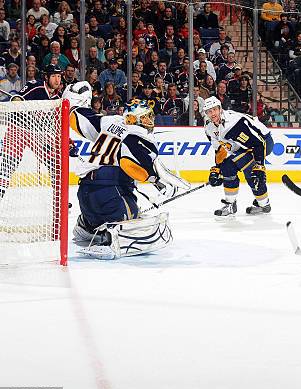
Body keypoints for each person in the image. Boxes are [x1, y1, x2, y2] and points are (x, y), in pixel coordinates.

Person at [64, 82, 189, 259]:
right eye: (145, 117)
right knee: (133, 217)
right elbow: (129, 161)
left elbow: (78, 120)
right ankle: (111, 238)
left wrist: (74, 103)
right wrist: (156, 180)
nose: (149, 121)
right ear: (133, 119)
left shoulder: (109, 122)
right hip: (108, 195)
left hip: (85, 195)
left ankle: (88, 226)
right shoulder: (139, 135)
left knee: (125, 201)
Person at [0, 64, 64, 201]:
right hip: (18, 130)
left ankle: (59, 198)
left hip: (38, 134)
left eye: (59, 76)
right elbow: (18, 97)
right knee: (7, 165)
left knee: (55, 165)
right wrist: (16, 100)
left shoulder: (57, 97)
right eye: (53, 76)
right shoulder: (35, 86)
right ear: (46, 77)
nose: (57, 80)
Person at [203, 96, 275, 216]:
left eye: (214, 110)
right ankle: (235, 204)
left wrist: (260, 166)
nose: (212, 113)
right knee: (227, 167)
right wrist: (217, 168)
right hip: (244, 146)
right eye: (209, 111)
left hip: (264, 142)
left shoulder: (233, 123)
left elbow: (258, 143)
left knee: (251, 171)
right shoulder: (209, 127)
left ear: (220, 109)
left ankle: (263, 204)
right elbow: (220, 149)